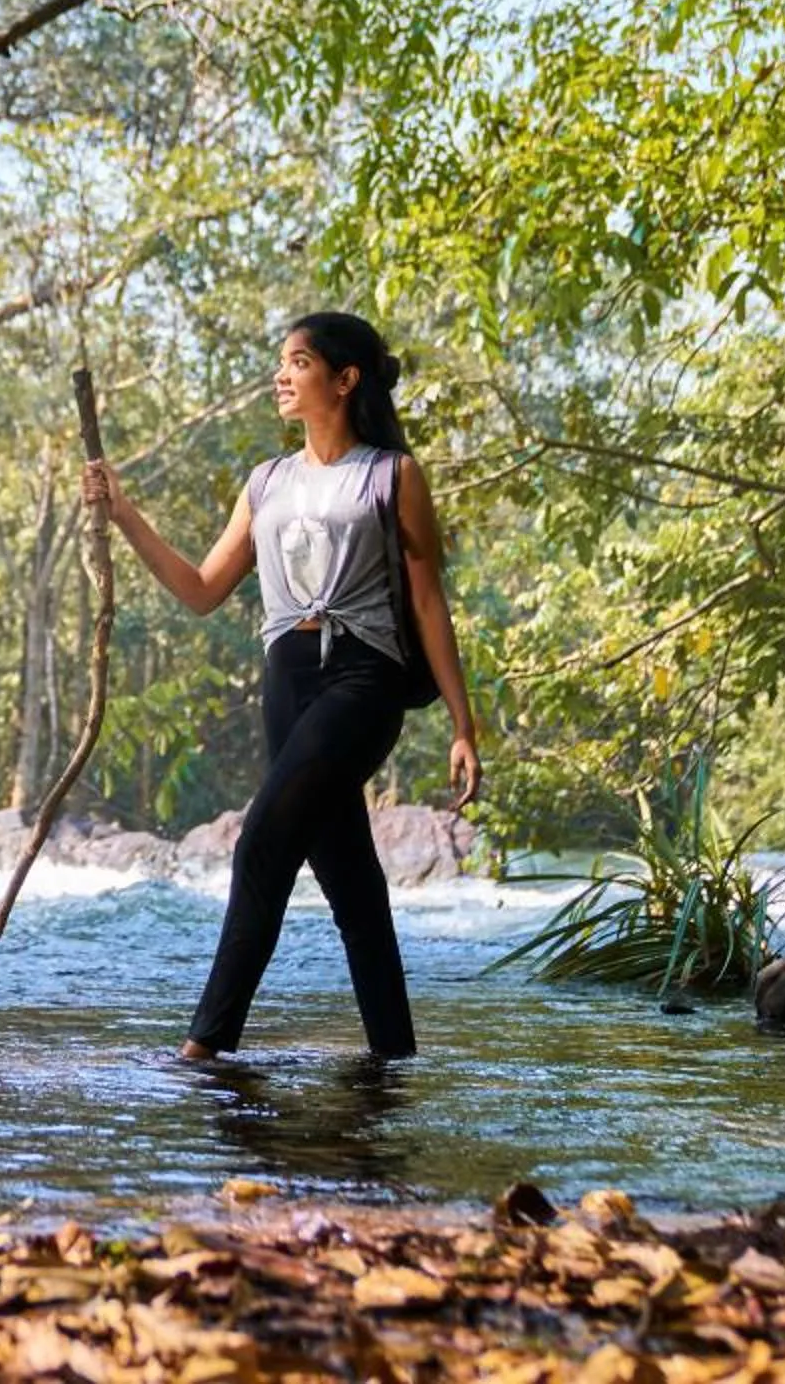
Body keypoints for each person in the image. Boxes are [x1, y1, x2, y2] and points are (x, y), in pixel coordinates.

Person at [80, 311, 482, 1062]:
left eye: (298, 362)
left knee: (261, 847)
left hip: (363, 680)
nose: (282, 376)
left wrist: (463, 723)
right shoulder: (265, 483)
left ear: (344, 378)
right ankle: (394, 1059)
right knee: (352, 886)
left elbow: (429, 603)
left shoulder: (392, 474)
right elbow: (200, 589)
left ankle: (204, 1047)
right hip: (287, 685)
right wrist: (122, 511)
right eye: (283, 363)